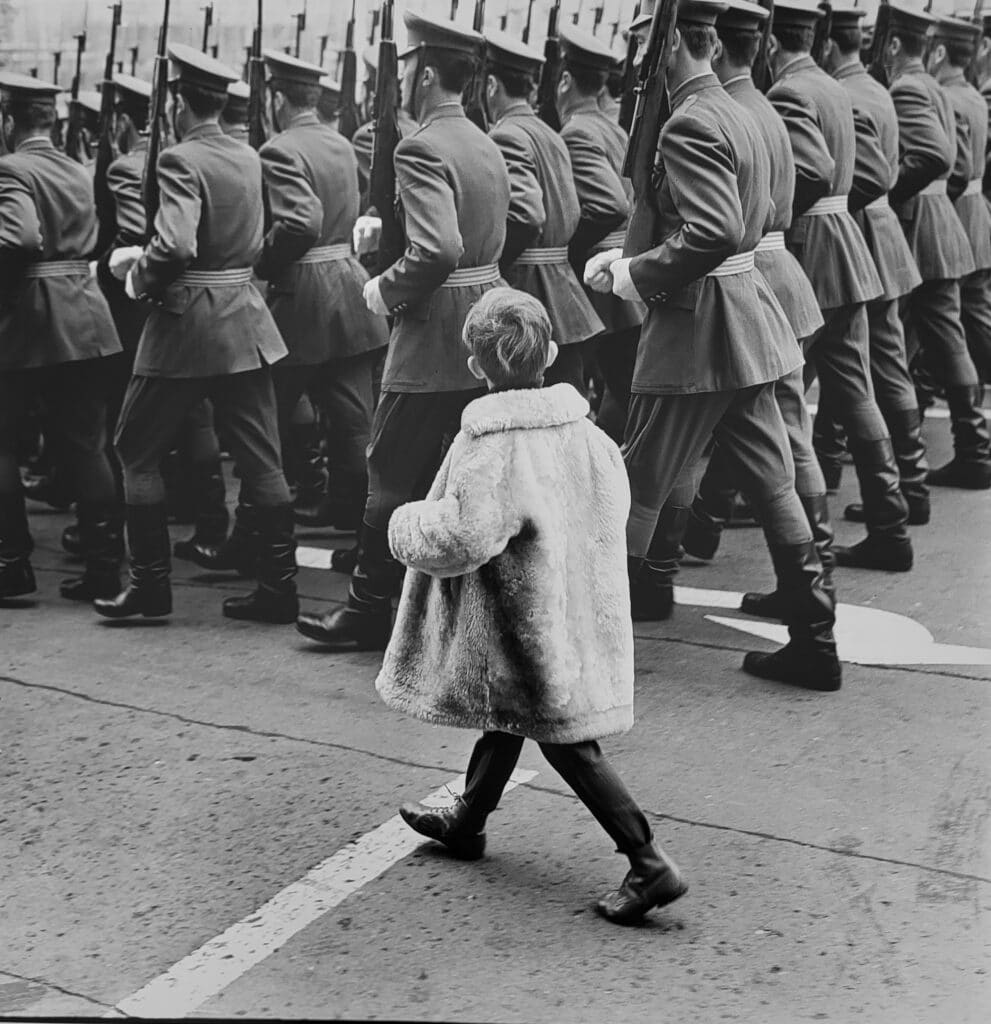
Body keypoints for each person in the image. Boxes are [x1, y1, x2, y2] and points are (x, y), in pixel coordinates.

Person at [382, 287, 687, 927]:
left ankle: (649, 861)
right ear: (549, 351)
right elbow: (613, 508)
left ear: (475, 366)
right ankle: (468, 818)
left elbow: (466, 536)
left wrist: (406, 524)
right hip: (576, 606)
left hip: (526, 618)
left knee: (565, 739)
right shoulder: (586, 431)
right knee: (511, 710)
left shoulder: (492, 444)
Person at [586, 0, 841, 692]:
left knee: (637, 485)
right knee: (772, 483)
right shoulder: (740, 109)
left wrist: (633, 271)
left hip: (697, 331)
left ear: (667, 47)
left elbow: (713, 230)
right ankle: (815, 641)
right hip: (747, 325)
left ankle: (598, 657)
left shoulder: (693, 120)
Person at [295, 11, 511, 652]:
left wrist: (385, 284)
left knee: (390, 468)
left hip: (433, 333)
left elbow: (438, 247)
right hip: (484, 323)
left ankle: (367, 607)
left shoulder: (419, 146)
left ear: (419, 72)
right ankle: (466, 612)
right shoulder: (484, 139)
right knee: (470, 470)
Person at [94, 44, 297, 625]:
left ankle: (151, 588)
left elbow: (178, 244)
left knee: (136, 449)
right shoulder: (249, 156)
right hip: (244, 318)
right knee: (262, 459)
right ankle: (279, 589)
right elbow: (262, 237)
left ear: (178, 102)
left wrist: (138, 275)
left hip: (184, 324)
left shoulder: (179, 159)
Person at [684, 0, 830, 603]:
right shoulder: (763, 105)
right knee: (782, 436)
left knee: (771, 439)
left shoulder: (727, 110)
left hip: (749, 278)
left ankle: (665, 564)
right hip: (774, 275)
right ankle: (813, 592)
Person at [766, 0, 913, 574]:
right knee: (856, 393)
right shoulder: (836, 87)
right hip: (846, 250)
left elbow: (811, 171)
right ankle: (890, 523)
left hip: (811, 255)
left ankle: (810, 552)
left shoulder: (789, 93)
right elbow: (871, 174)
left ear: (773, 42)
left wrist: (775, 213)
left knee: (781, 400)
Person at [0, 71, 124, 602]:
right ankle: (102, 568)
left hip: (28, 322)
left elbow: (19, 237)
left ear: (8, 120)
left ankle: (10, 564)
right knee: (87, 445)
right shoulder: (78, 167)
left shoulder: (9, 169)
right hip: (86, 318)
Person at [818, 6, 930, 527]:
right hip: (879, 237)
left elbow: (871, 175)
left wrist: (834, 205)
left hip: (861, 235)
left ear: (825, 44)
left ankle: (901, 493)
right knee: (876, 367)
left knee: (874, 371)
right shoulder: (874, 89)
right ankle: (908, 488)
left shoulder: (846, 93)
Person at [884, 4, 991, 490]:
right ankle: (966, 445)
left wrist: (890, 191)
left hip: (923, 226)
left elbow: (936, 158)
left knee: (916, 340)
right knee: (935, 338)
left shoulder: (910, 87)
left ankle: (915, 458)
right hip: (943, 222)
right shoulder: (939, 88)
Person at [481, 30, 605, 393]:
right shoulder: (550, 133)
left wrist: (494, 268)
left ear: (491, 86)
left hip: (528, 291)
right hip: (563, 291)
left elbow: (526, 214)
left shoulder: (505, 136)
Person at [557, 25, 644, 443]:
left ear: (565, 81)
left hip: (600, 281)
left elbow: (610, 204)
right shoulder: (610, 126)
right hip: (619, 272)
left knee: (614, 393)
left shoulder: (576, 131)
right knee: (623, 390)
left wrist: (569, 253)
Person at [929, 16, 991, 393]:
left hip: (959, 221)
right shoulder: (971, 94)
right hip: (975, 218)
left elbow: (958, 169)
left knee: (949, 322)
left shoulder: (951, 100)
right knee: (967, 316)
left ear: (939, 51)